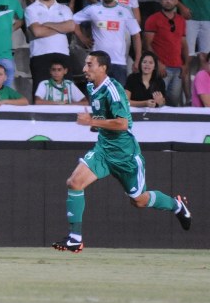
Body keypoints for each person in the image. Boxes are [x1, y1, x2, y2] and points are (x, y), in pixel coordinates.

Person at [52, 50, 191, 254]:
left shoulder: (113, 89)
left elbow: (123, 124)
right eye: (85, 64)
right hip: (103, 150)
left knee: (139, 200)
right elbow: (104, 118)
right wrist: (97, 124)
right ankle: (75, 238)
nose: (84, 68)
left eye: (89, 64)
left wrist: (92, 121)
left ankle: (176, 205)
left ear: (103, 68)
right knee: (74, 182)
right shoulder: (92, 86)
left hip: (125, 155)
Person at [73, 0, 142, 86]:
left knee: (117, 100)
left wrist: (137, 60)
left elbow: (136, 35)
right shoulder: (93, 9)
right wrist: (82, 38)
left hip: (119, 63)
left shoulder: (125, 11)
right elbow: (72, 21)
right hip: (97, 64)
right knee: (97, 99)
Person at [25, 0, 75, 95]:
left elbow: (71, 27)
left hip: (63, 55)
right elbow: (37, 32)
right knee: (41, 96)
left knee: (65, 95)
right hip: (40, 56)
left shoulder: (64, 8)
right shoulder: (31, 9)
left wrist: (47, 24)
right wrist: (61, 27)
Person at [143, 0, 190, 107]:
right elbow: (147, 44)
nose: (168, 1)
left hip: (178, 68)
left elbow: (183, 43)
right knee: (158, 104)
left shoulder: (181, 20)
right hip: (161, 69)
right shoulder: (153, 19)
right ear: (160, 0)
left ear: (176, 1)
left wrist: (185, 65)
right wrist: (157, 63)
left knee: (174, 104)